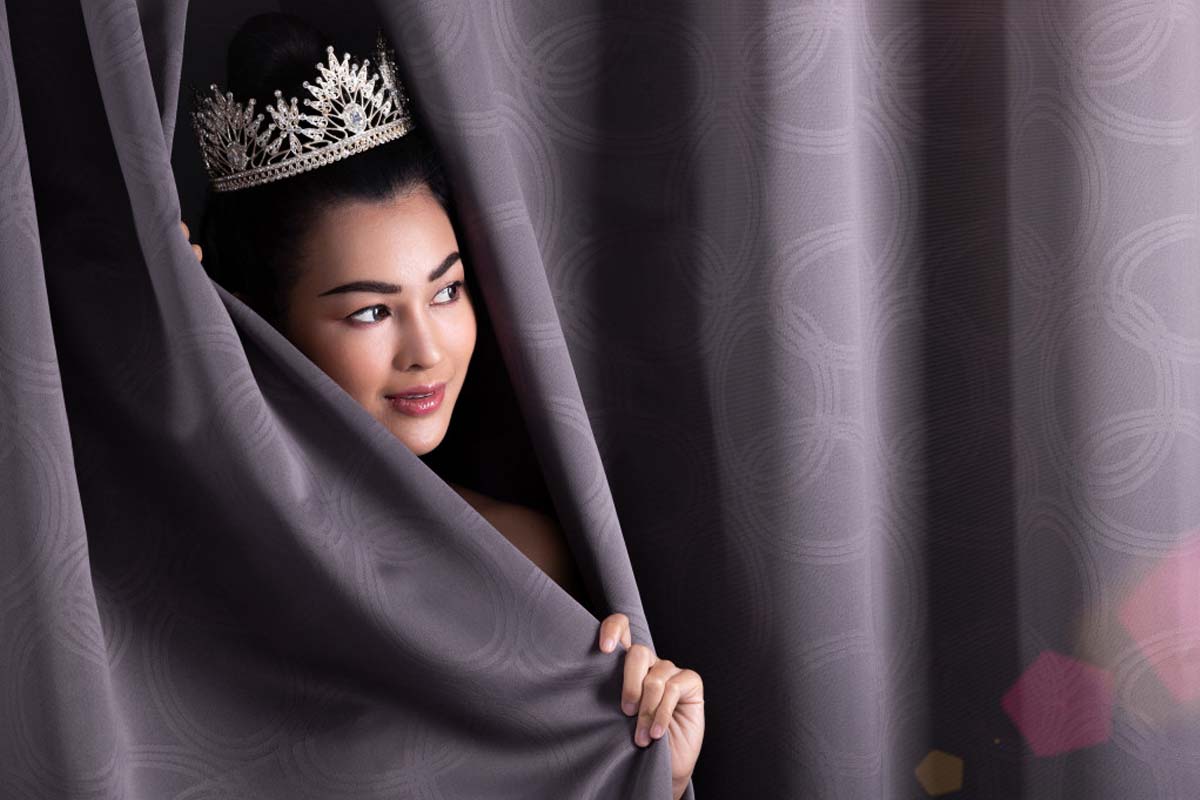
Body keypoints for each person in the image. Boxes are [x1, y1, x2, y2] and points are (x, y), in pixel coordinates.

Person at [185, 12, 702, 798]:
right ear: (266, 326)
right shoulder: (194, 553)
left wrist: (656, 773)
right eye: (370, 311)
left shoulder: (522, 557)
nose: (428, 349)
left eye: (448, 290)